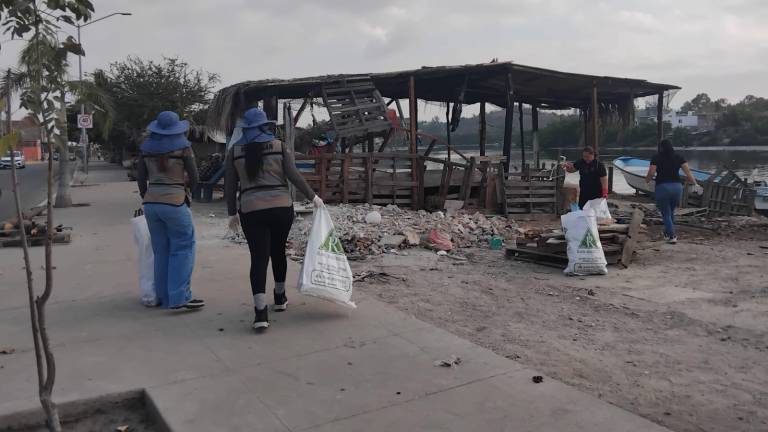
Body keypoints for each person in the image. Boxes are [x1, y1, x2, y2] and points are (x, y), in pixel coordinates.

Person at [225, 107, 323, 331]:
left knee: (258, 259)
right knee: (278, 252)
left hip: (251, 210)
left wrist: (232, 212)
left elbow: (231, 185)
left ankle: (260, 313)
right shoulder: (279, 146)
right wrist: (313, 196)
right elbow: (293, 175)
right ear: (263, 126)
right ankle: (279, 298)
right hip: (281, 208)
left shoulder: (235, 151)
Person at [136, 111, 204, 310]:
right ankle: (180, 297)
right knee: (182, 249)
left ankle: (163, 297)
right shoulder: (184, 148)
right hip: (175, 202)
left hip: (151, 204)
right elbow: (195, 176)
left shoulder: (145, 149)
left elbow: (141, 179)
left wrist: (147, 197)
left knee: (161, 251)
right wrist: (188, 194)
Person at [645, 139, 698, 244]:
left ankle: (672, 236)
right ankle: (666, 233)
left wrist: (646, 181)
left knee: (665, 213)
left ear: (661, 147)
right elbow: (688, 172)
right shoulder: (679, 157)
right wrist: (695, 183)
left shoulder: (656, 157)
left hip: (663, 187)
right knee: (670, 212)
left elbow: (651, 172)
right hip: (677, 187)